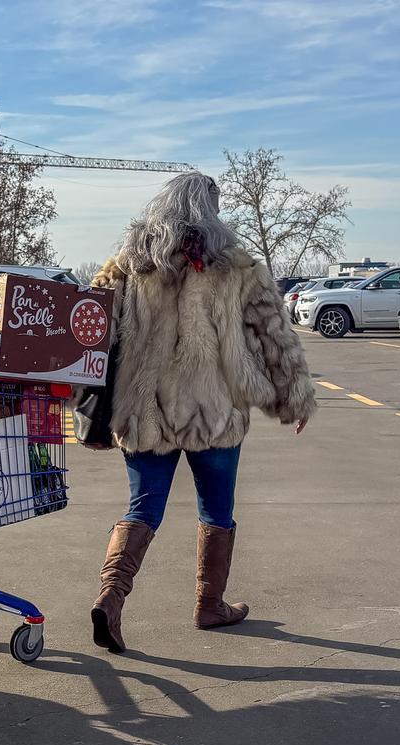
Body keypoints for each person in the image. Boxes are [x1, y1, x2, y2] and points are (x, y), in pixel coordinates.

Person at [86, 172, 316, 654]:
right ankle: (210, 605)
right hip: (214, 412)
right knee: (217, 510)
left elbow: (87, 329)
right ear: (212, 209)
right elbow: (273, 334)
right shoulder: (238, 266)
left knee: (142, 508)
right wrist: (294, 395)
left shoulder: (128, 264)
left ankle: (110, 599)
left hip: (145, 410)